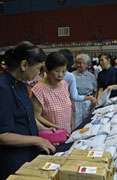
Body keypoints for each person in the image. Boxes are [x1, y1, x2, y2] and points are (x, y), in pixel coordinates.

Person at [0, 41, 55, 180]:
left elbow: (27, 115)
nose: (39, 74)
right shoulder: (3, 88)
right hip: (13, 159)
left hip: (29, 152)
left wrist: (45, 129)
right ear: (24, 65)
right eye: (38, 69)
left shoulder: (21, 85)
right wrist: (37, 140)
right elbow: (3, 135)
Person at [31, 52, 72, 135]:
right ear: (47, 69)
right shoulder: (38, 89)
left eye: (64, 71)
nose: (60, 75)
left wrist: (72, 124)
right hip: (52, 135)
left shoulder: (64, 84)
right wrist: (55, 127)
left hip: (67, 133)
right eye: (57, 71)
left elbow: (69, 107)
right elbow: (36, 116)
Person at [72, 54, 97, 128]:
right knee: (77, 122)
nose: (78, 65)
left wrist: (94, 101)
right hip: (76, 102)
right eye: (77, 63)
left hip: (89, 101)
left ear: (86, 65)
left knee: (89, 122)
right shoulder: (72, 75)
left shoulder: (91, 76)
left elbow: (95, 90)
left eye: (80, 63)